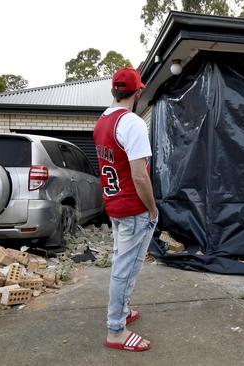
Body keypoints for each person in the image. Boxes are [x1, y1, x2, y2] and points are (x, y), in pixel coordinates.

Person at [94, 67, 158, 352]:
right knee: (125, 268)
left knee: (124, 263)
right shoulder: (131, 122)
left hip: (115, 205)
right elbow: (140, 175)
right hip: (133, 207)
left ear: (113, 91)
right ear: (138, 91)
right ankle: (116, 330)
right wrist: (153, 208)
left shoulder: (103, 121)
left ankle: (123, 311)